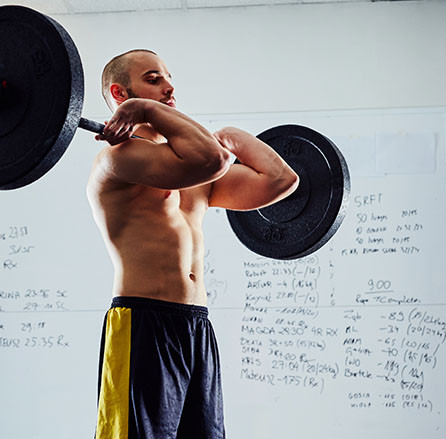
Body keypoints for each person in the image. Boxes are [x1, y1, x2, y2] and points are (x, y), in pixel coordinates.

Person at [87, 49, 299, 439]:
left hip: (196, 326)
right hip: (142, 322)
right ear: (120, 93)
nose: (168, 87)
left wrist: (236, 136)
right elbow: (213, 159)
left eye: (168, 78)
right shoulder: (117, 160)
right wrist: (144, 112)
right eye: (153, 80)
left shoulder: (198, 173)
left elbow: (281, 181)